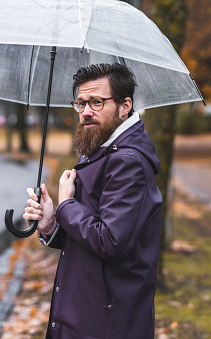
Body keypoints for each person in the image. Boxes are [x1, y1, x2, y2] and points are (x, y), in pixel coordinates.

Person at [23, 63, 162, 339]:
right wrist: (51, 224)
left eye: (97, 102)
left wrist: (65, 206)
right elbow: (89, 241)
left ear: (125, 106)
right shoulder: (99, 150)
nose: (86, 112)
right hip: (83, 314)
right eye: (81, 103)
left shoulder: (127, 163)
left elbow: (110, 242)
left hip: (106, 324)